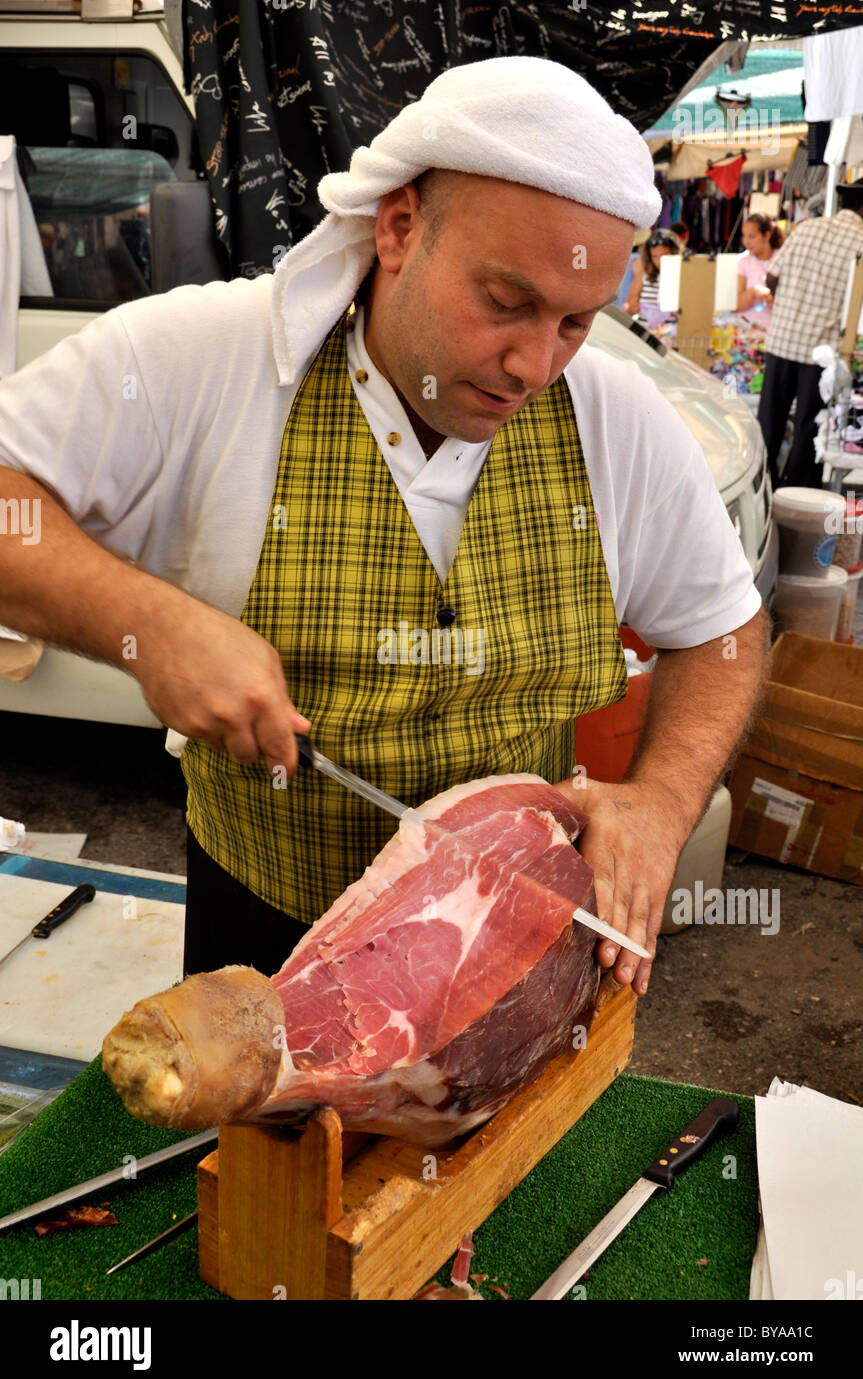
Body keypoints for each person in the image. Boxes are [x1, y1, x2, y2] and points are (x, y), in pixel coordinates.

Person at [0, 56, 766, 999]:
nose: (533, 364)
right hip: (264, 935)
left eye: (573, 322)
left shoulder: (618, 418)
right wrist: (150, 622)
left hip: (511, 941)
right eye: (505, 302)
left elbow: (722, 630)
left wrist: (657, 804)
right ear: (399, 227)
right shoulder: (196, 360)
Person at [758, 179, 863, 489]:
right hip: (823, 352)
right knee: (810, 425)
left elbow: (772, 277)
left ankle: (763, 485)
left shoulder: (805, 228)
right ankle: (797, 493)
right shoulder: (861, 242)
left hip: (782, 339)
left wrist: (791, 307)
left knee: (770, 419)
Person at [622, 227, 682, 329]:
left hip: (669, 334)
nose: (659, 261)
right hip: (644, 332)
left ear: (674, 252)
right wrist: (629, 310)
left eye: (664, 255)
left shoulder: (682, 276)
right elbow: (628, 304)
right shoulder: (645, 275)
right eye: (654, 256)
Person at [736, 212, 783, 330]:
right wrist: (753, 291)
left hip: (777, 327)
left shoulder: (782, 258)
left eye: (752, 236)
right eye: (744, 236)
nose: (746, 241)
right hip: (747, 328)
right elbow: (737, 305)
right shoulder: (742, 262)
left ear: (766, 235)